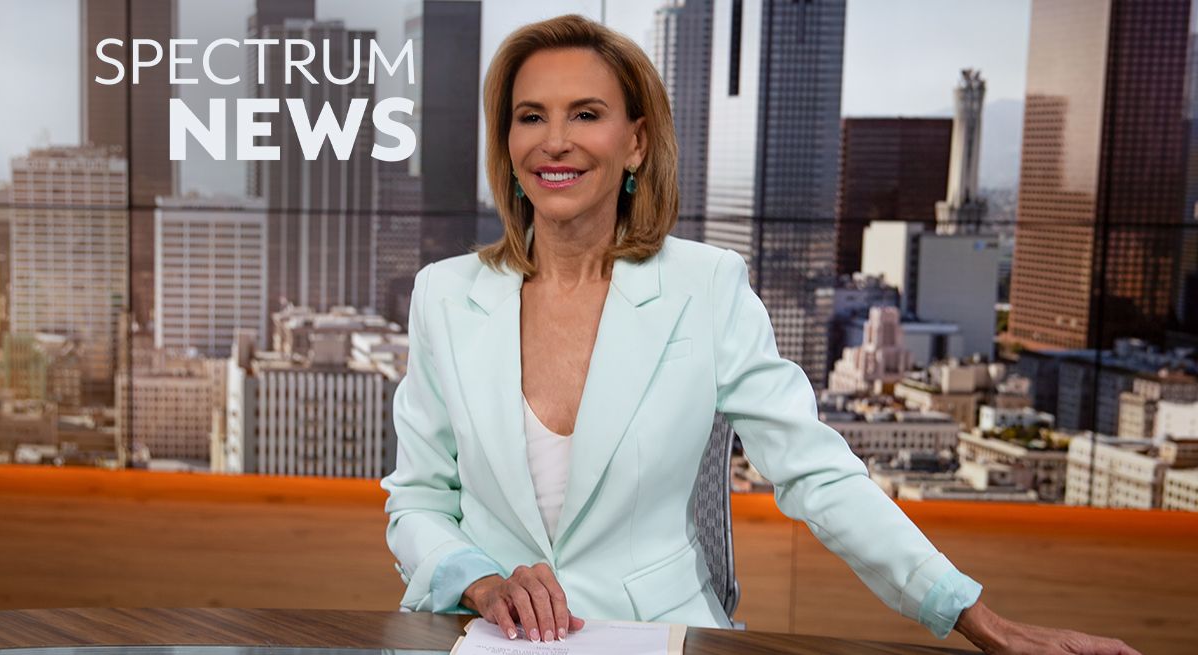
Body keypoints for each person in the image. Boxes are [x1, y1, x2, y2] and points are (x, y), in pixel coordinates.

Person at [380, 14, 1140, 655]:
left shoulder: (705, 287)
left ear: (636, 141)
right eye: (530, 115)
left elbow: (816, 473)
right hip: (491, 643)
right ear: (506, 144)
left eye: (586, 113)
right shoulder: (448, 295)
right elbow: (416, 500)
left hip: (663, 637)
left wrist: (977, 617)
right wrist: (477, 577)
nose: (555, 141)